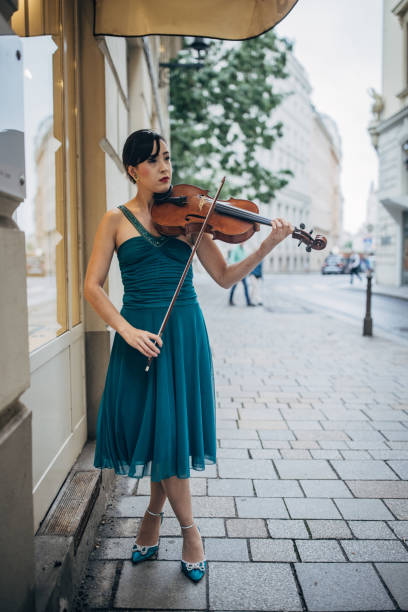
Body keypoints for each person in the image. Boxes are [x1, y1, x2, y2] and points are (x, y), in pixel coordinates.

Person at [83, 129, 293, 583]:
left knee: (171, 433)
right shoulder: (114, 220)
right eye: (154, 161)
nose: (165, 168)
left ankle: (187, 531)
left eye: (168, 159)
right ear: (132, 169)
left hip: (183, 333)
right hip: (139, 335)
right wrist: (126, 329)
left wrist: (267, 244)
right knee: (155, 430)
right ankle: (154, 520)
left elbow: (225, 276)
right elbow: (91, 287)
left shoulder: (194, 219)